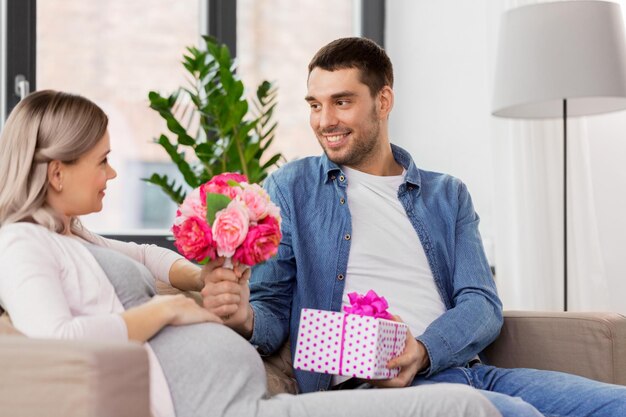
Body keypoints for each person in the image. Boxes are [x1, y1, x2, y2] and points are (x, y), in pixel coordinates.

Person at [0, 90, 501, 417]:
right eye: (103, 161)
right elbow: (57, 340)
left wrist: (212, 275)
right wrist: (169, 307)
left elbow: (145, 257)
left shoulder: (75, 236)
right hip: (223, 406)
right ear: (57, 171)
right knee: (464, 409)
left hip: (248, 397)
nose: (112, 174)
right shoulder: (21, 242)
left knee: (473, 404)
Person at [202, 37, 626, 417]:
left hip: (468, 371)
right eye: (315, 104)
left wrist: (422, 351)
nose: (324, 120)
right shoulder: (291, 188)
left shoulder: (447, 194)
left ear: (383, 101)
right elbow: (273, 309)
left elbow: (481, 302)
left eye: (342, 102)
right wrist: (244, 317)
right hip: (376, 389)